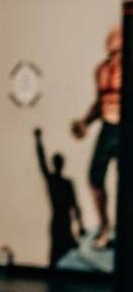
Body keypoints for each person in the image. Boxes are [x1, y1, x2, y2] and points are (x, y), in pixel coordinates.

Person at [71, 24, 123, 250]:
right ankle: (105, 225)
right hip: (109, 128)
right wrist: (85, 122)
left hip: (125, 129)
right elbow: (100, 104)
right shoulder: (101, 70)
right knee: (95, 178)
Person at [33, 127, 84, 269]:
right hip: (60, 220)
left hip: (63, 220)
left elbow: (75, 205)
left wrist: (80, 225)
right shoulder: (55, 181)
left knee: (67, 251)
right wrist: (38, 141)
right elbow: (42, 161)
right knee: (58, 252)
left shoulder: (64, 183)